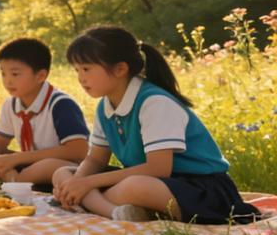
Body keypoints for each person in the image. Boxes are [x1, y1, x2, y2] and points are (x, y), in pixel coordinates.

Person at [52, 25, 260, 224]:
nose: (81, 78)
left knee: (133, 187)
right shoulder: (105, 107)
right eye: (77, 70)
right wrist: (75, 183)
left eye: (86, 69)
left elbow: (158, 168)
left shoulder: (154, 102)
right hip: (153, 182)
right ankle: (115, 211)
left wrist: (87, 184)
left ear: (120, 69)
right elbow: (95, 159)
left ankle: (95, 204)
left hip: (200, 188)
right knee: (63, 173)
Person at [0, 37, 88, 188]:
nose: (7, 81)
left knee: (48, 165)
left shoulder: (60, 104)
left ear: (40, 76)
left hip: (66, 167)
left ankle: (14, 182)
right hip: (27, 164)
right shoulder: (11, 104)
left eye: (15, 74)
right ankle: (10, 178)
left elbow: (78, 151)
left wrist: (18, 158)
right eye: (3, 73)